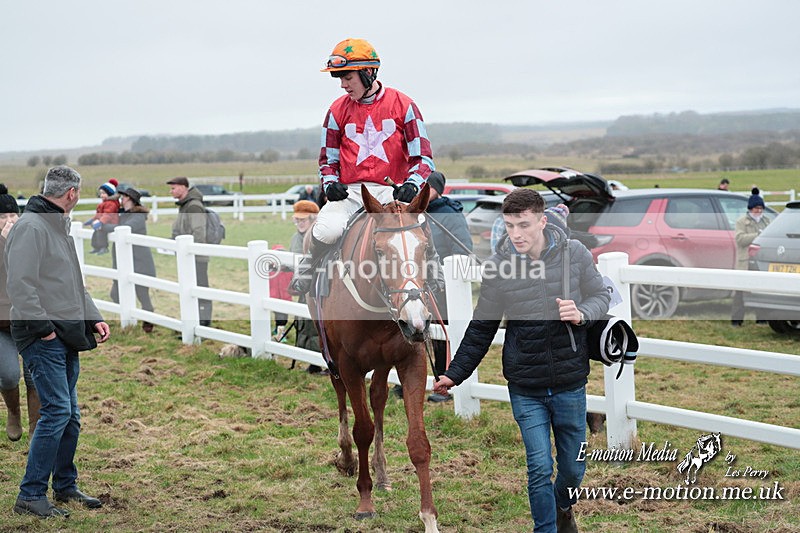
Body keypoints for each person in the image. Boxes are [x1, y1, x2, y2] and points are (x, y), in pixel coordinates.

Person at [433, 188, 610, 532]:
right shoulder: (500, 268)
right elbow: (481, 327)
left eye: (524, 225)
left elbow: (601, 294)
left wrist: (583, 313)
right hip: (525, 386)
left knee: (573, 469)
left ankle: (563, 506)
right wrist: (455, 374)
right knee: (539, 467)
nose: (516, 234)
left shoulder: (575, 254)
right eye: (510, 225)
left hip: (570, 381)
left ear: (542, 221)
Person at [5, 166, 111, 518]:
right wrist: (44, 329)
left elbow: (71, 282)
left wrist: (92, 315)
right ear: (72, 194)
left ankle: (64, 486)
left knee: (71, 416)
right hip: (43, 335)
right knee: (57, 412)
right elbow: (20, 286)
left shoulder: (55, 224)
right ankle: (31, 494)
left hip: (66, 331)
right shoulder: (32, 227)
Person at [291, 37, 435, 294]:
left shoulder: (405, 105)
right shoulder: (336, 110)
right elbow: (327, 160)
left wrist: (412, 185)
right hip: (351, 192)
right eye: (340, 79)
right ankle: (309, 265)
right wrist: (330, 183)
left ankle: (435, 277)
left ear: (368, 73)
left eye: (348, 78)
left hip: (390, 191)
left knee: (419, 226)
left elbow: (423, 157)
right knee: (327, 229)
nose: (344, 85)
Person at [422, 171, 473, 402]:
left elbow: (463, 250)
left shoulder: (450, 215)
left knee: (445, 336)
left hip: (444, 286)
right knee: (422, 335)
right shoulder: (416, 213)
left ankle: (446, 384)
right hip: (420, 285)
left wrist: (445, 277)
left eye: (427, 187)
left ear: (436, 189)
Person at [0, 184, 40, 442]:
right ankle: (13, 412)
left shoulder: (29, 239)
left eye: (13, 216)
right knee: (8, 373)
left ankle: (37, 426)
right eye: (3, 217)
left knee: (34, 375)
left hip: (29, 320)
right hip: (2, 325)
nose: (9, 221)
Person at [106, 187, 157, 333]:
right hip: (124, 263)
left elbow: (124, 228)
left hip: (140, 262)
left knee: (143, 295)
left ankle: (148, 322)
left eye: (122, 197)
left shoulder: (138, 216)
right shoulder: (124, 214)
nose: (120, 199)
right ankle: (131, 315)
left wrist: (105, 227)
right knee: (115, 294)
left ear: (129, 198)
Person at [168, 176, 213, 327]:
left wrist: (191, 252)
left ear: (183, 187)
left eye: (173, 188)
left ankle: (204, 322)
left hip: (196, 257)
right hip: (187, 256)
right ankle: (193, 322)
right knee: (190, 290)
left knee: (200, 289)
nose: (171, 191)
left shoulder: (193, 206)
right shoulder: (185, 205)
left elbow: (198, 232)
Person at [288, 200, 325, 374]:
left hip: (317, 285)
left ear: (312, 220)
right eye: (297, 220)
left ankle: (319, 361)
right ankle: (310, 359)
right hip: (303, 285)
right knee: (304, 323)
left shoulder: (319, 237)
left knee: (316, 323)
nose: (300, 224)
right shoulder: (296, 238)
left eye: (303, 220)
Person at [731, 188, 771, 327]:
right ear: (750, 208)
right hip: (745, 262)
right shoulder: (741, 222)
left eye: (761, 208)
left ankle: (761, 318)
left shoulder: (766, 221)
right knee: (740, 293)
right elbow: (740, 239)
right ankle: (736, 320)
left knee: (761, 291)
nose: (758, 211)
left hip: (760, 262)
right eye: (756, 208)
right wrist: (757, 235)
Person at [83, 179, 119, 254]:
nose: (101, 195)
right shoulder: (103, 203)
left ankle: (104, 247)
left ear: (109, 194)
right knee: (95, 230)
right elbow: (99, 215)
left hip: (112, 223)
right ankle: (96, 247)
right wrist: (92, 220)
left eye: (104, 193)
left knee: (101, 229)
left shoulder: (111, 204)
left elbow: (108, 215)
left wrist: (100, 222)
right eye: (101, 193)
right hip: (105, 222)